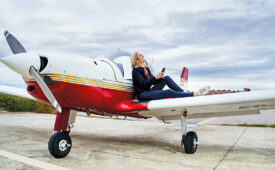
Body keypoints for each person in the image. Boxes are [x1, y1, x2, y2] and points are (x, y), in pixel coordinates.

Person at [131, 52, 210, 101]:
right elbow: (143, 84)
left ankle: (183, 93)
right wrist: (155, 77)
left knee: (166, 78)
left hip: (149, 90)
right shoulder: (136, 70)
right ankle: (194, 94)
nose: (143, 55)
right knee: (168, 92)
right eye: (140, 55)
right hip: (143, 94)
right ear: (137, 59)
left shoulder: (146, 69)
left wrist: (159, 78)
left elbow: (153, 82)